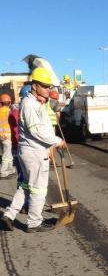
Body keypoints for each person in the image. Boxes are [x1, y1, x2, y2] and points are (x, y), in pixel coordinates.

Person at [1, 68, 66, 233]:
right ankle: (34, 222)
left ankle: (9, 215)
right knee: (39, 188)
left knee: (25, 186)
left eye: (49, 86)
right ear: (35, 85)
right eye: (44, 86)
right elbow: (37, 131)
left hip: (31, 151)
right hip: (34, 152)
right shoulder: (30, 105)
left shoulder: (36, 103)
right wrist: (58, 141)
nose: (47, 89)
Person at [0, 93, 16, 179]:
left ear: (1, 103)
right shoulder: (10, 112)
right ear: (9, 102)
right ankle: (3, 171)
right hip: (7, 136)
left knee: (8, 153)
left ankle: (10, 169)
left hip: (2, 136)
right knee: (6, 154)